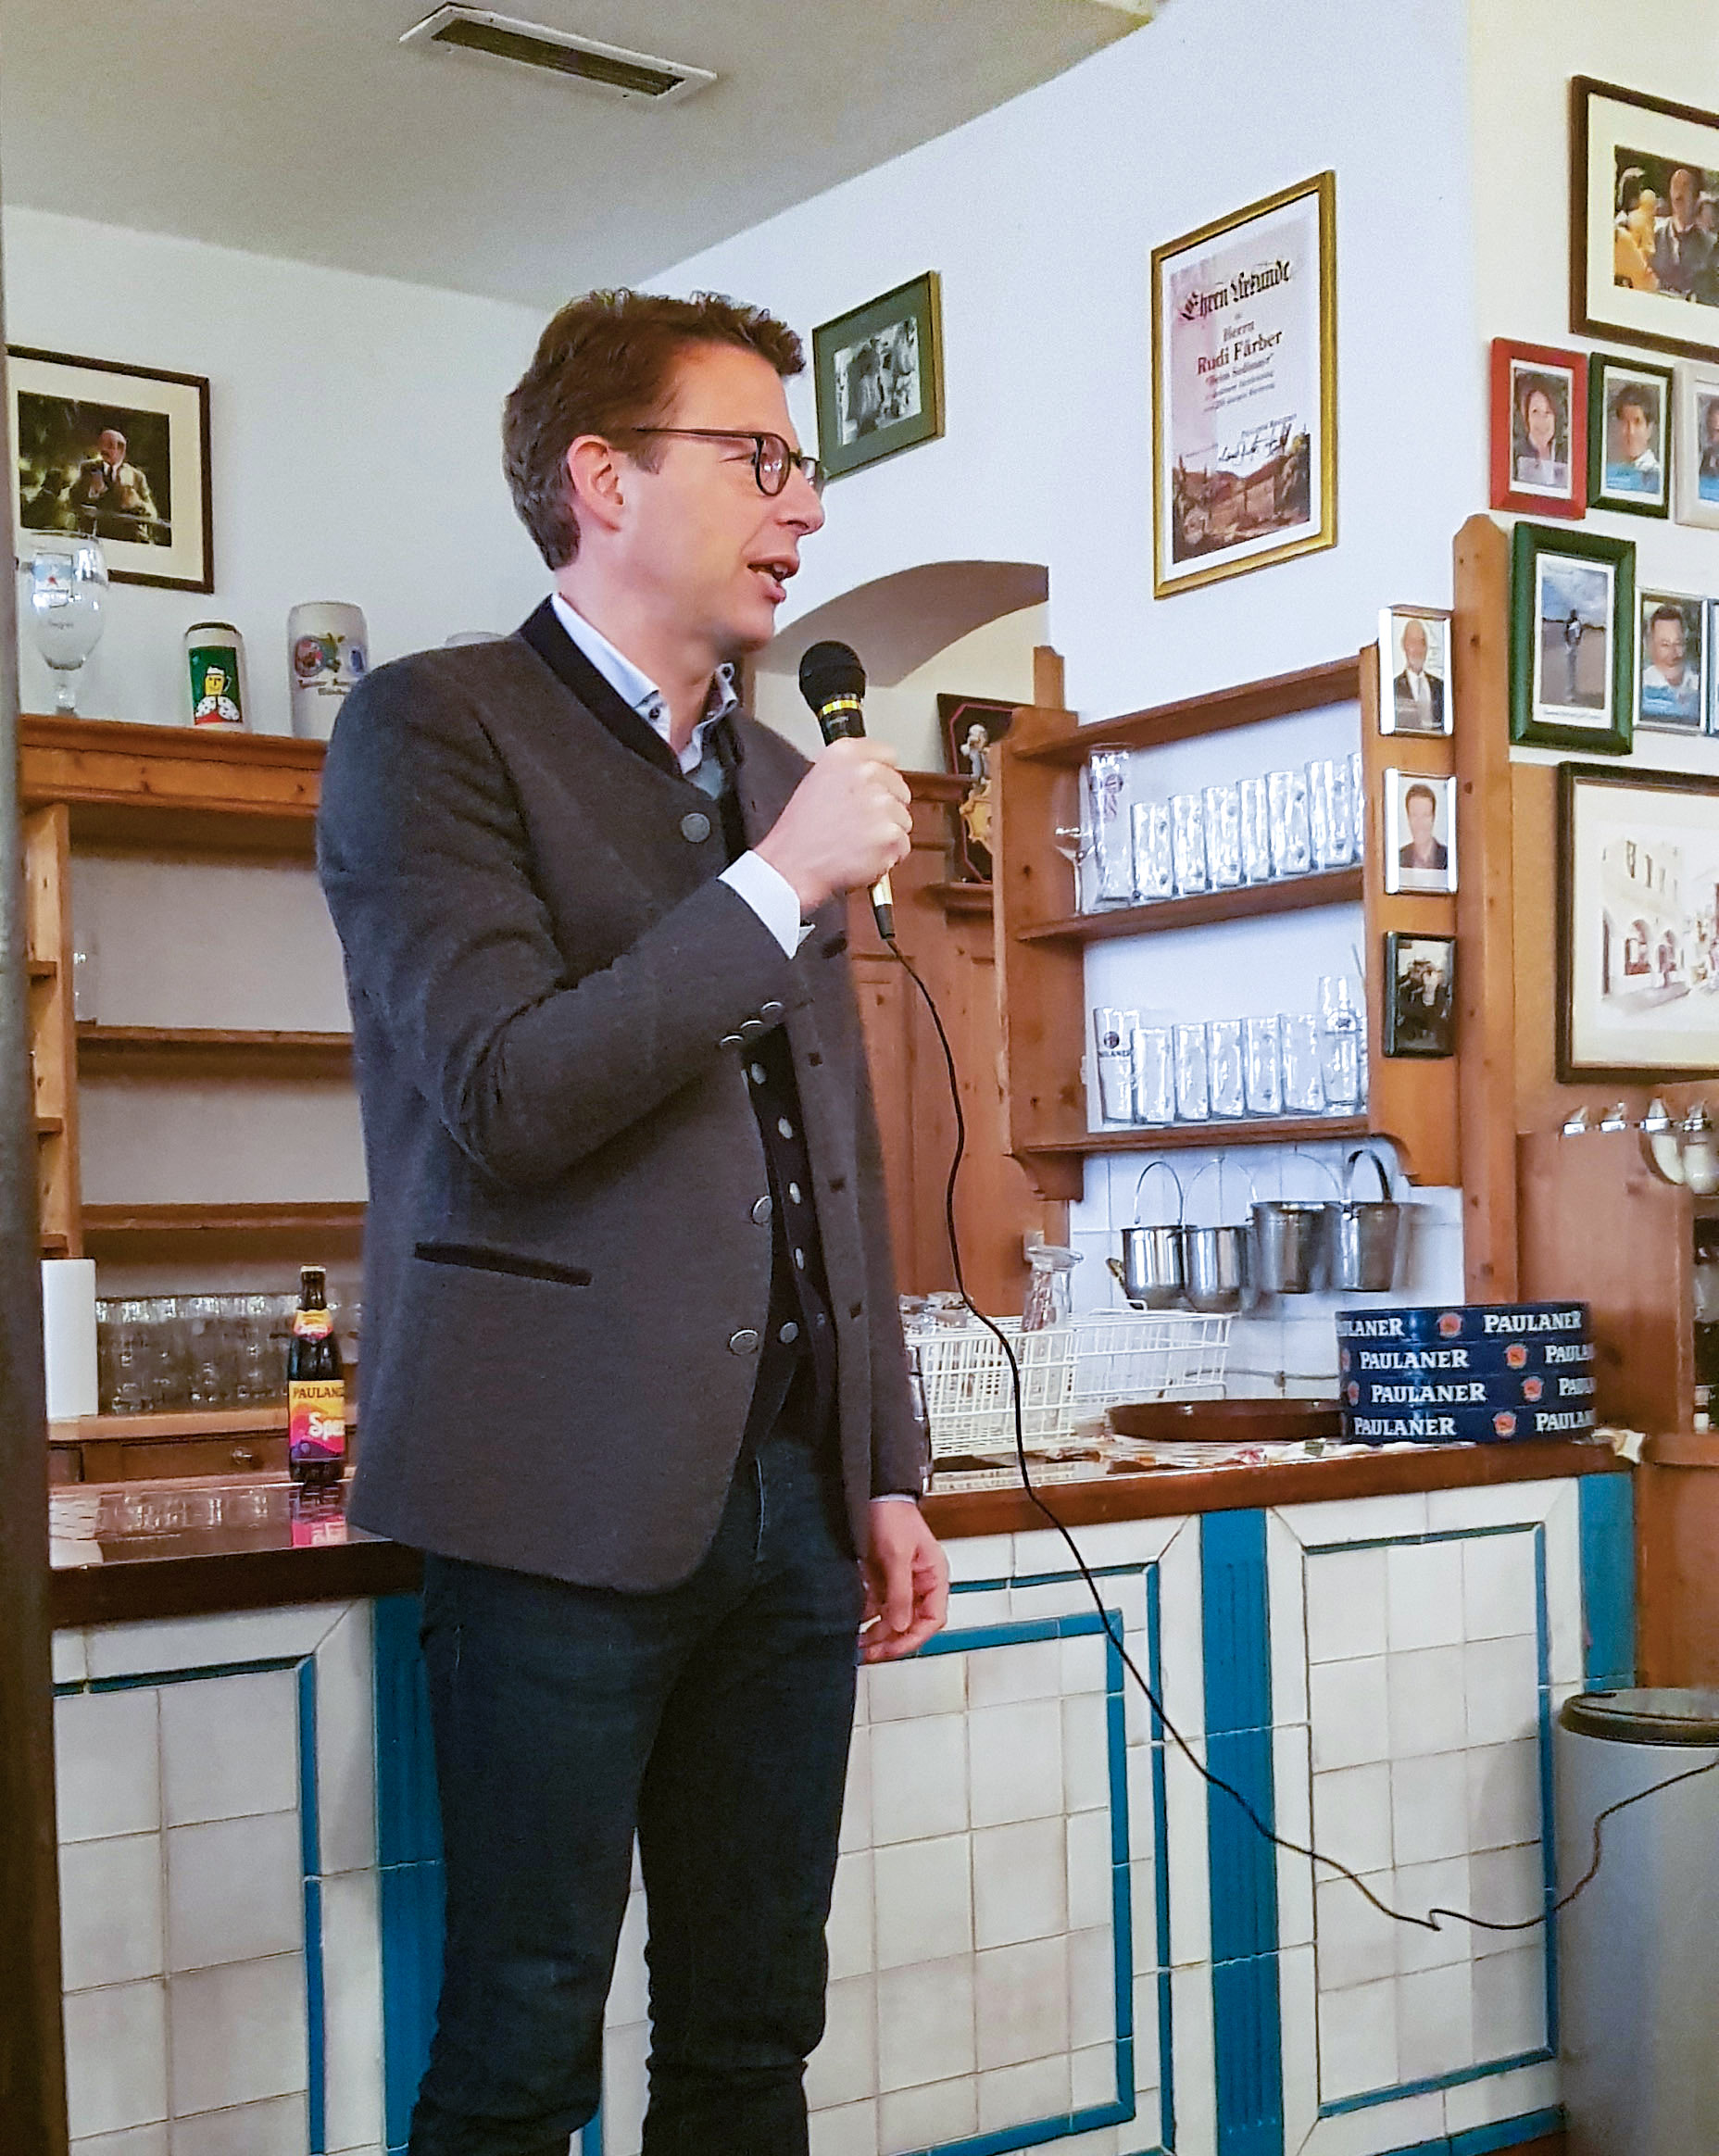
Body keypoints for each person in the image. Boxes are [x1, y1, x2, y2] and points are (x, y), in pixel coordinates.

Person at [318, 288, 949, 2156]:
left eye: (803, 467)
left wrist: (882, 1461)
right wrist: (774, 887)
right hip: (550, 1492)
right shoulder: (431, 728)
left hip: (790, 1507)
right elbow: (506, 1093)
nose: (805, 505)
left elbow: (828, 1147)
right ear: (602, 477)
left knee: (754, 2032)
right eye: (759, 458)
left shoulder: (775, 778)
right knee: (521, 2041)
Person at [69, 424, 160, 540]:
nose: (103, 449)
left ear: (121, 450)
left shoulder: (137, 477)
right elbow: (73, 498)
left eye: (109, 445)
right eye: (101, 444)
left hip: (127, 538)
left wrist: (137, 503)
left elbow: (153, 515)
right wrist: (91, 491)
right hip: (95, 536)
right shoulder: (89, 468)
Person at [1652, 166, 1714, 296]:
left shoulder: (1710, 246)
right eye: (1675, 186)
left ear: (1696, 198)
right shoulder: (1653, 236)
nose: (1678, 194)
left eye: (1685, 187)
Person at [1640, 604, 1701, 722]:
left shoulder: (1702, 686)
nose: (1673, 654)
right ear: (1650, 646)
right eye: (1665, 645)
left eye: (1678, 644)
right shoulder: (1640, 685)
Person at [1604, 382, 1662, 495]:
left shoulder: (1656, 477)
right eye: (1625, 422)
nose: (1630, 431)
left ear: (1649, 429)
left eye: (1637, 422)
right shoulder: (1613, 475)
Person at [1392, 616, 1445, 732]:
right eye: (1413, 642)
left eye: (1422, 642)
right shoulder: (1392, 688)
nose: (1418, 649)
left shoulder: (1441, 687)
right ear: (1404, 645)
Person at [1513, 375, 1566, 491]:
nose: (1542, 419)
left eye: (1548, 412)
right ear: (1526, 416)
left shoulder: (1567, 454)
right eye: (1535, 411)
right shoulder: (1515, 454)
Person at [1398, 781, 1448, 874]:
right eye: (1415, 815)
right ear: (1408, 818)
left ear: (1433, 818)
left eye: (1425, 816)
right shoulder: (1398, 858)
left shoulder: (1449, 857)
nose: (1420, 823)